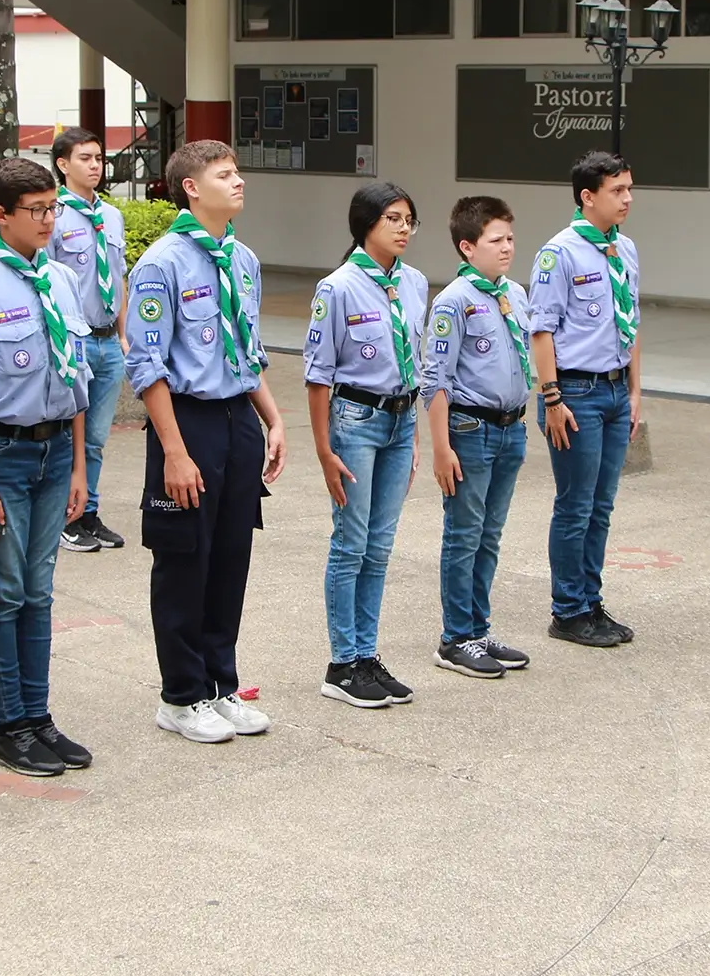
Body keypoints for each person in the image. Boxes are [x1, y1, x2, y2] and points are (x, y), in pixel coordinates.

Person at [0, 159, 95, 777]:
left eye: (54, 208)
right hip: (0, 455)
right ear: (0, 215)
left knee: (39, 589)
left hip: (55, 453)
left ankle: (38, 715)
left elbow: (75, 379)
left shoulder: (61, 279)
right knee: (3, 590)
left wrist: (78, 466)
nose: (50, 220)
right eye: (37, 210)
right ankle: (10, 726)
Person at [126, 141, 286, 744]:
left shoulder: (241, 259)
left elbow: (247, 350)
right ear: (191, 188)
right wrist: (173, 450)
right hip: (186, 421)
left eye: (237, 172)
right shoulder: (161, 265)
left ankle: (221, 685)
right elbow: (146, 365)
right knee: (184, 559)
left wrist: (273, 419)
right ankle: (181, 695)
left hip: (237, 419)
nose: (238, 182)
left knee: (229, 556)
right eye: (224, 175)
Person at [304, 182, 429, 709]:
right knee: (351, 543)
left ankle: (366, 655)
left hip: (401, 422)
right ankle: (342, 664)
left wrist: (414, 435)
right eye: (392, 219)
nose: (403, 228)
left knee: (379, 547)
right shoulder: (337, 288)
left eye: (408, 219)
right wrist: (324, 450)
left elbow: (415, 362)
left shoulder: (415, 283)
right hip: (356, 422)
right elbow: (318, 376)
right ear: (366, 225)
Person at [528, 151, 643, 648]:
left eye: (629, 189)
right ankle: (568, 610)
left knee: (601, 505)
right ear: (587, 197)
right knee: (575, 505)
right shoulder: (560, 254)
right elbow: (541, 331)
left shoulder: (625, 249)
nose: (628, 199)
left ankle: (591, 602)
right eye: (617, 191)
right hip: (576, 393)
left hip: (615, 391)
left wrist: (635, 392)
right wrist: (552, 399)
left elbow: (632, 323)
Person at [421, 196, 533, 679]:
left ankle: (479, 629)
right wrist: (441, 447)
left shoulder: (515, 294)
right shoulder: (454, 301)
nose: (507, 247)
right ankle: (455, 638)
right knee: (464, 534)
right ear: (467, 247)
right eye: (495, 240)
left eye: (510, 238)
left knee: (490, 534)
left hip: (510, 428)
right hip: (470, 429)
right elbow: (435, 380)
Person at [49, 127, 130, 554]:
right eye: (85, 158)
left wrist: (123, 335)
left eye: (99, 157)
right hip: (73, 342)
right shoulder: (53, 216)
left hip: (108, 341)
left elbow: (118, 277)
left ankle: (89, 511)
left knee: (96, 436)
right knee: (71, 435)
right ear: (63, 164)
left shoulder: (111, 216)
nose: (95, 165)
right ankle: (66, 515)